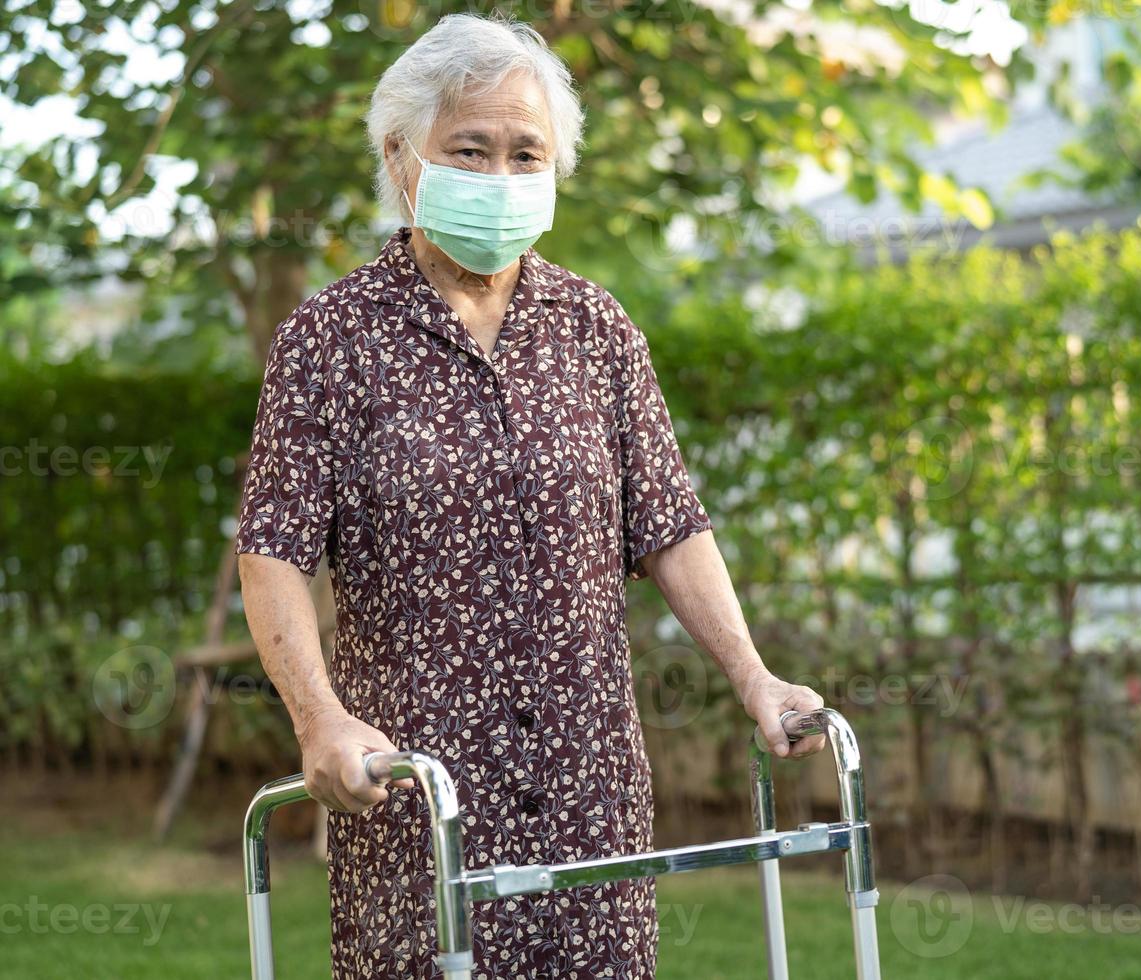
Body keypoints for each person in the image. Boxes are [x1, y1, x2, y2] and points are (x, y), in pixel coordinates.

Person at [236, 12, 825, 978]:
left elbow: (670, 527)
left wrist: (754, 677)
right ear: (402, 157)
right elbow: (273, 551)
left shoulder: (596, 329)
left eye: (526, 154)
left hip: (590, 784)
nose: (502, 178)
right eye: (471, 149)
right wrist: (320, 719)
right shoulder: (329, 341)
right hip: (420, 794)